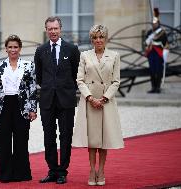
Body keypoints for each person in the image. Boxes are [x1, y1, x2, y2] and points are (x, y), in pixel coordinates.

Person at [72, 24, 124, 186]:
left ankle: (101, 170)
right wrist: (89, 97)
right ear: (92, 40)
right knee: (93, 138)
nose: (98, 40)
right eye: (95, 37)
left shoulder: (115, 55)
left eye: (101, 37)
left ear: (106, 38)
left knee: (104, 137)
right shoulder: (84, 55)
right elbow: (79, 80)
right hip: (89, 101)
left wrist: (105, 98)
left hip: (106, 102)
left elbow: (116, 81)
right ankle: (91, 169)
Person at [34, 16, 80, 184]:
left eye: (55, 28)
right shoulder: (41, 50)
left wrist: (66, 89)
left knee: (66, 136)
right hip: (47, 101)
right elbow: (39, 77)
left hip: (66, 101)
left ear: (60, 29)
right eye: (50, 29)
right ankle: (52, 170)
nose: (53, 31)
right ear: (46, 30)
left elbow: (77, 74)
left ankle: (63, 171)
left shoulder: (72, 49)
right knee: (49, 136)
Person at [0, 34, 37, 182]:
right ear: (6, 49)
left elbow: (32, 89)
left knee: (21, 139)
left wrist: (33, 109)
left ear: (20, 48)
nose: (13, 49)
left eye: (15, 47)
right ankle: (4, 173)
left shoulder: (29, 65)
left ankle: (21, 173)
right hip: (3, 106)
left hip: (21, 105)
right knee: (3, 140)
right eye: (10, 47)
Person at [145, 8, 169, 93]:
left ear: (158, 23)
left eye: (155, 23)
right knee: (152, 71)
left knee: (158, 70)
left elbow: (166, 43)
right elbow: (146, 43)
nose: (154, 25)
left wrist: (165, 53)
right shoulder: (149, 33)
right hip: (151, 53)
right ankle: (153, 87)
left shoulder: (162, 32)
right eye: (153, 23)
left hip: (158, 54)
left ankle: (158, 87)